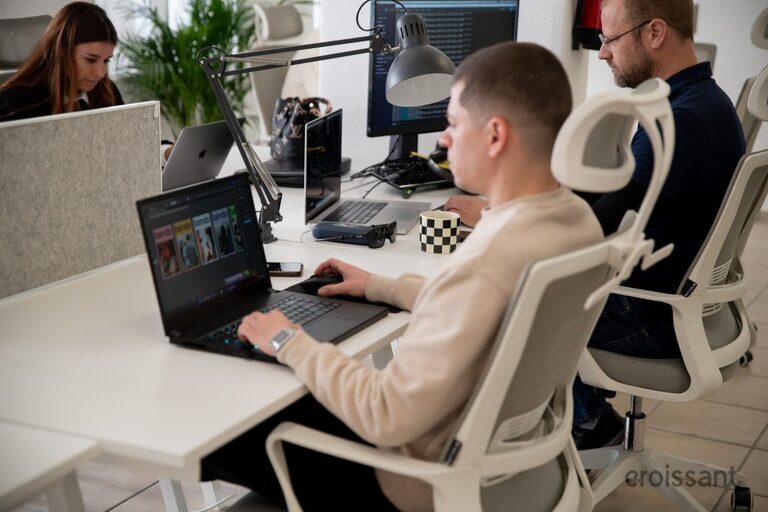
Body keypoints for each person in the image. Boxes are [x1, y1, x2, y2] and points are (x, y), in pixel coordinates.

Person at [200, 42, 603, 512]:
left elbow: (385, 413)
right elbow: (484, 307)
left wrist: (289, 340)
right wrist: (381, 285)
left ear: (495, 135)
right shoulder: (577, 221)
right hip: (506, 460)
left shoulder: (487, 263)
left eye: (454, 124)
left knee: (223, 420)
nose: (444, 140)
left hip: (411, 483)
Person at [567, 0, 746, 450]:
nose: (603, 53)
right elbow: (622, 191)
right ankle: (588, 418)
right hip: (678, 301)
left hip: (649, 314)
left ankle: (585, 423)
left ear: (654, 33)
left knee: (517, 300)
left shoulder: (679, 120)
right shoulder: (702, 100)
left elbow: (598, 225)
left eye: (610, 40)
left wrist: (502, 214)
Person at [0, 2, 123, 122]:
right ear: (61, 51)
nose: (100, 73)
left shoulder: (108, 92)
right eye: (91, 60)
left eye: (106, 60)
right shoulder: (15, 104)